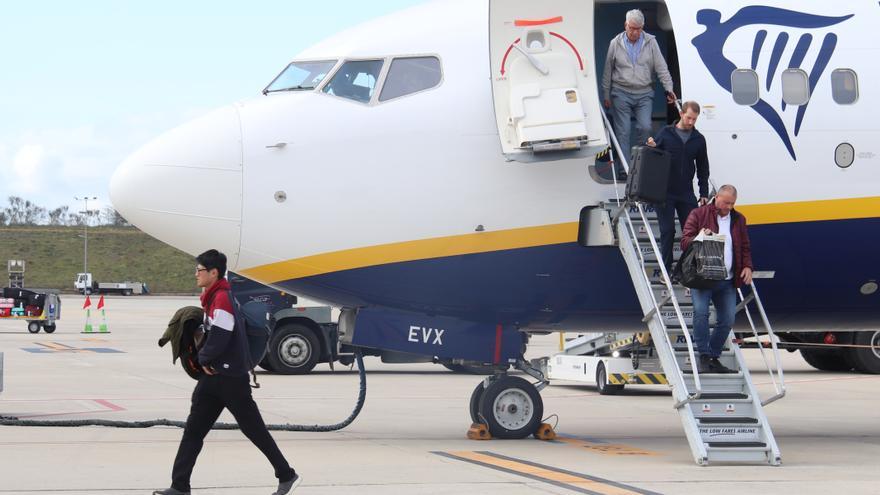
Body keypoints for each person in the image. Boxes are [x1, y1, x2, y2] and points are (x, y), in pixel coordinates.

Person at [154, 249, 300, 495]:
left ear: (214, 272)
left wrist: (202, 359)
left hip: (229, 379)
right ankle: (179, 486)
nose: (196, 274)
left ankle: (286, 474)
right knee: (194, 431)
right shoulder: (215, 297)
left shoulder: (221, 298)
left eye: (200, 270)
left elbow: (221, 335)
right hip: (216, 379)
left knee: (252, 430)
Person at [680, 185, 753, 374]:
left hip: (727, 279)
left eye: (732, 203)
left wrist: (747, 266)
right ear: (717, 197)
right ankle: (704, 355)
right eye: (726, 202)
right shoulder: (699, 214)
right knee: (701, 313)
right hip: (703, 277)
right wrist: (700, 236)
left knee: (728, 319)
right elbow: (684, 241)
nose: (728, 206)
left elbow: (744, 247)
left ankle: (713, 355)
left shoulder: (738, 219)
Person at [602, 9, 676, 166]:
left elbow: (661, 68)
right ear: (625, 25)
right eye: (632, 28)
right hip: (620, 92)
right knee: (623, 131)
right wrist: (606, 94)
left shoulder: (651, 42)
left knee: (645, 127)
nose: (635, 32)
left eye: (639, 28)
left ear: (643, 27)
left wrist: (669, 89)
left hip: (644, 93)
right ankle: (626, 168)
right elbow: (608, 71)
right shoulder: (615, 43)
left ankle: (639, 165)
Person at [646, 100, 710, 274]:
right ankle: (665, 272)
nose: (691, 122)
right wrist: (652, 147)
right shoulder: (666, 133)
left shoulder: (699, 139)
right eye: (689, 117)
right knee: (668, 231)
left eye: (694, 119)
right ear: (681, 114)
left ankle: (685, 271)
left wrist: (703, 192)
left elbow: (703, 167)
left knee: (691, 233)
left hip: (686, 192)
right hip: (664, 193)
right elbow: (652, 158)